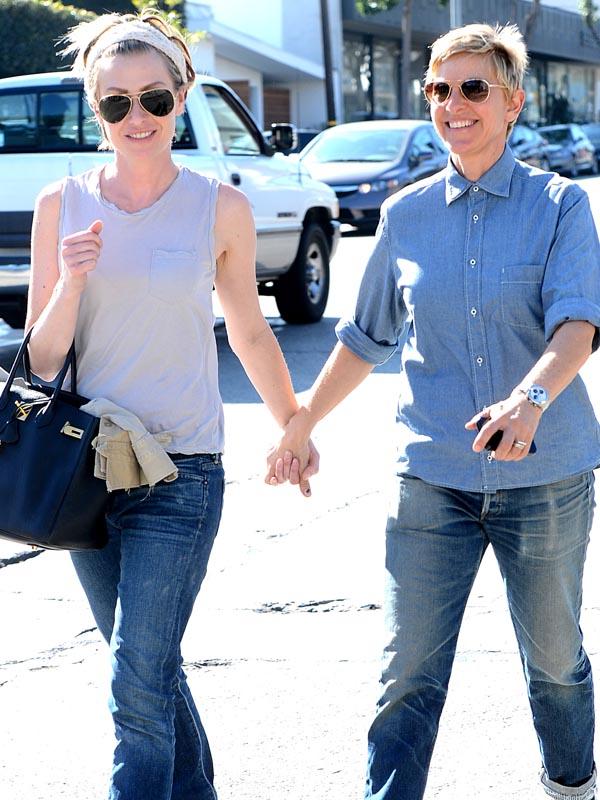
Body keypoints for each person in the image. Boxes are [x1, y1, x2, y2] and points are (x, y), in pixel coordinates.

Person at [267, 22, 600, 800]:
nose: (454, 104)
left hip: (545, 475)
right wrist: (301, 423)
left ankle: (571, 783)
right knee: (407, 668)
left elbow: (578, 325)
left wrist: (529, 400)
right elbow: (364, 337)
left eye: (473, 88)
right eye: (439, 90)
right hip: (432, 476)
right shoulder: (406, 215)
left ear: (511, 103)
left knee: (554, 660)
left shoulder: (560, 207)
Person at [26, 9, 312, 800]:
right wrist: (74, 279)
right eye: (115, 103)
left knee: (135, 679)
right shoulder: (63, 203)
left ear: (182, 97)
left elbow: (250, 329)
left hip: (181, 471)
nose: (136, 117)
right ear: (96, 110)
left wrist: (295, 420)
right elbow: (42, 358)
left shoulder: (219, 207)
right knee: (144, 666)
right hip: (84, 472)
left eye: (153, 98)